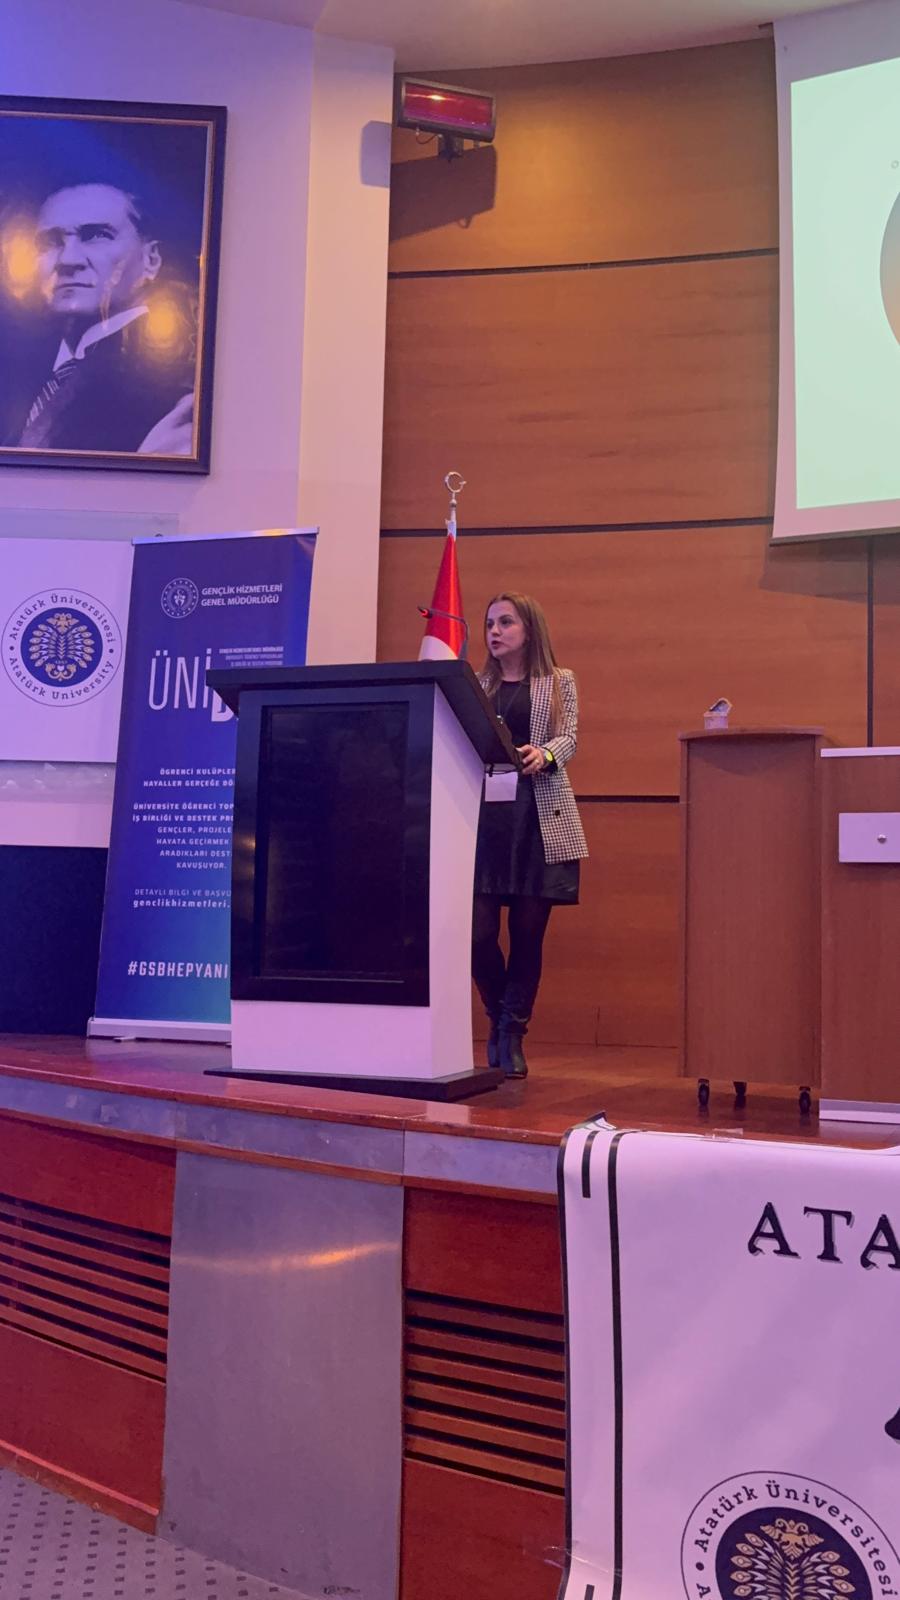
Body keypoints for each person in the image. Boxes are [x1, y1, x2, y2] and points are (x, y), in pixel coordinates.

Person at [473, 592, 589, 1079]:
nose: (494, 632)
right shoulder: (476, 684)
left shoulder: (558, 681)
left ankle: (512, 1033)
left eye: (505, 622)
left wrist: (546, 753)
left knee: (527, 935)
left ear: (529, 630)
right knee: (478, 934)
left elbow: (570, 735)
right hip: (484, 822)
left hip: (540, 817)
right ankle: (497, 1015)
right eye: (489, 624)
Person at [5, 181, 195, 455]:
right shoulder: (20, 372)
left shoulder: (177, 393)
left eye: (96, 235)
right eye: (50, 242)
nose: (68, 260)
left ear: (151, 260)